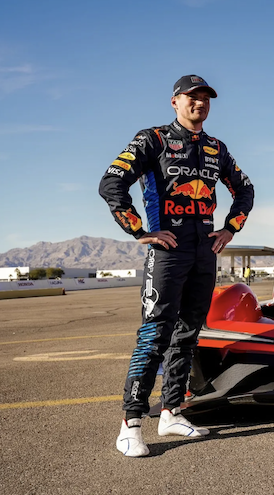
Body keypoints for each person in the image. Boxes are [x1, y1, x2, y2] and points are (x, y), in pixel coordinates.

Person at [99, 75, 255, 456]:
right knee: (155, 335)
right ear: (175, 102)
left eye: (205, 98)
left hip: (205, 250)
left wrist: (230, 229)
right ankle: (130, 425)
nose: (199, 103)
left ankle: (171, 412)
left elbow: (245, 189)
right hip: (168, 251)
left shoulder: (217, 148)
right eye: (192, 97)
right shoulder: (151, 138)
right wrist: (140, 231)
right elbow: (111, 183)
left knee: (188, 334)